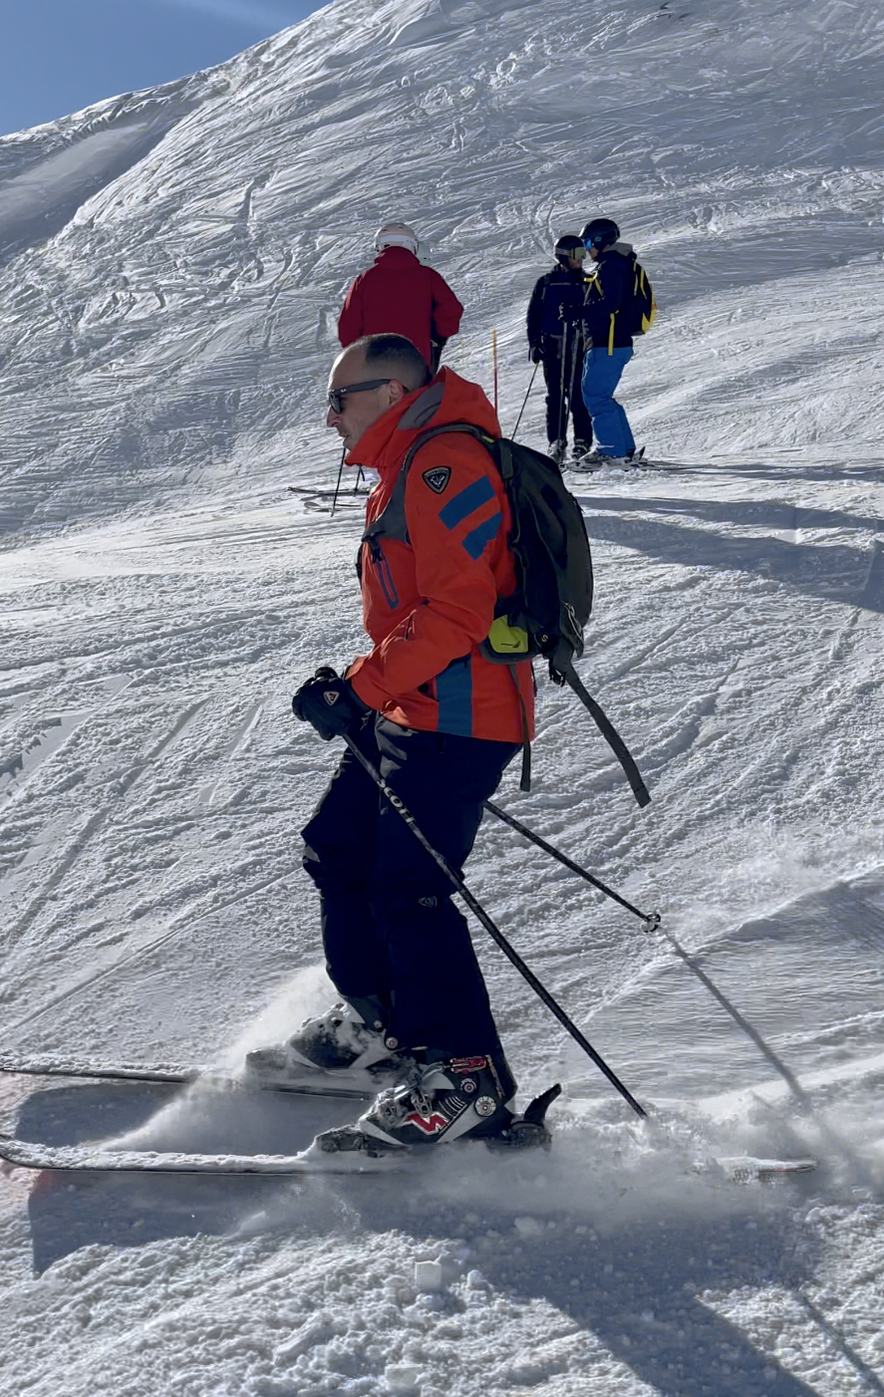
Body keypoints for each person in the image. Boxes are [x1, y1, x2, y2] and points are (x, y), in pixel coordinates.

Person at [258, 332, 541, 1151]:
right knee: (337, 848)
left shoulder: (446, 462)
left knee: (410, 890)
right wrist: (366, 687)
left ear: (388, 393)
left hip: (462, 712)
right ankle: (388, 1027)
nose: (331, 419)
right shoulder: (406, 468)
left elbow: (456, 612)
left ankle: (463, 1080)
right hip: (414, 706)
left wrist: (361, 688)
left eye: (340, 401)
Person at [338, 223, 463, 370]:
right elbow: (451, 309)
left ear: (380, 246)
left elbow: (348, 324)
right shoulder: (428, 277)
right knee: (417, 393)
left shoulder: (365, 279)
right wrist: (438, 336)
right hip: (416, 360)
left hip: (374, 361)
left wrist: (357, 355)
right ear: (412, 246)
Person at [569, 218, 642, 469]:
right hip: (610, 342)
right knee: (601, 396)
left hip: (608, 343)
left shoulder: (612, 265)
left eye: (588, 242)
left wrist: (576, 312)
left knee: (596, 396)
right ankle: (624, 449)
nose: (586, 249)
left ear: (600, 241)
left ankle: (612, 452)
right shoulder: (615, 265)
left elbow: (611, 304)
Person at [525, 235, 592, 466]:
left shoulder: (587, 282)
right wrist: (534, 343)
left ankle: (582, 441)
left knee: (578, 397)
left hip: (579, 347)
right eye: (577, 255)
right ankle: (556, 441)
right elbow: (533, 316)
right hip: (552, 347)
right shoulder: (546, 283)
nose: (581, 260)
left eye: (583, 254)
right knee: (555, 397)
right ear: (564, 256)